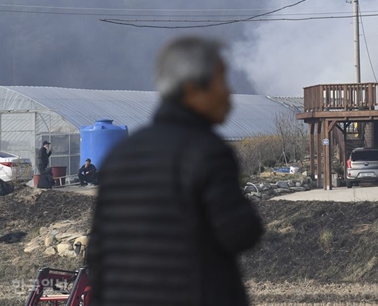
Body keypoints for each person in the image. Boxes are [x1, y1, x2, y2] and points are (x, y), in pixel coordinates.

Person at [87, 37, 264, 306]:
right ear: (193, 88)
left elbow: (97, 254)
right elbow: (241, 233)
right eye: (221, 80)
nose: (228, 92)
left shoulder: (120, 157)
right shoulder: (207, 152)